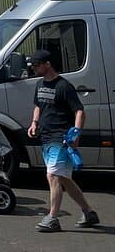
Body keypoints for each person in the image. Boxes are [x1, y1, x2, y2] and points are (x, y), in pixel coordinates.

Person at [27, 49, 99, 232]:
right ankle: (89, 212)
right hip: (45, 137)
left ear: (47, 64)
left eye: (36, 65)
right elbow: (38, 106)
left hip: (61, 139)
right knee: (64, 179)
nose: (33, 69)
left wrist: (76, 134)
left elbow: (79, 111)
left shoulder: (64, 86)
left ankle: (52, 218)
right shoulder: (39, 84)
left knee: (52, 176)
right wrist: (34, 123)